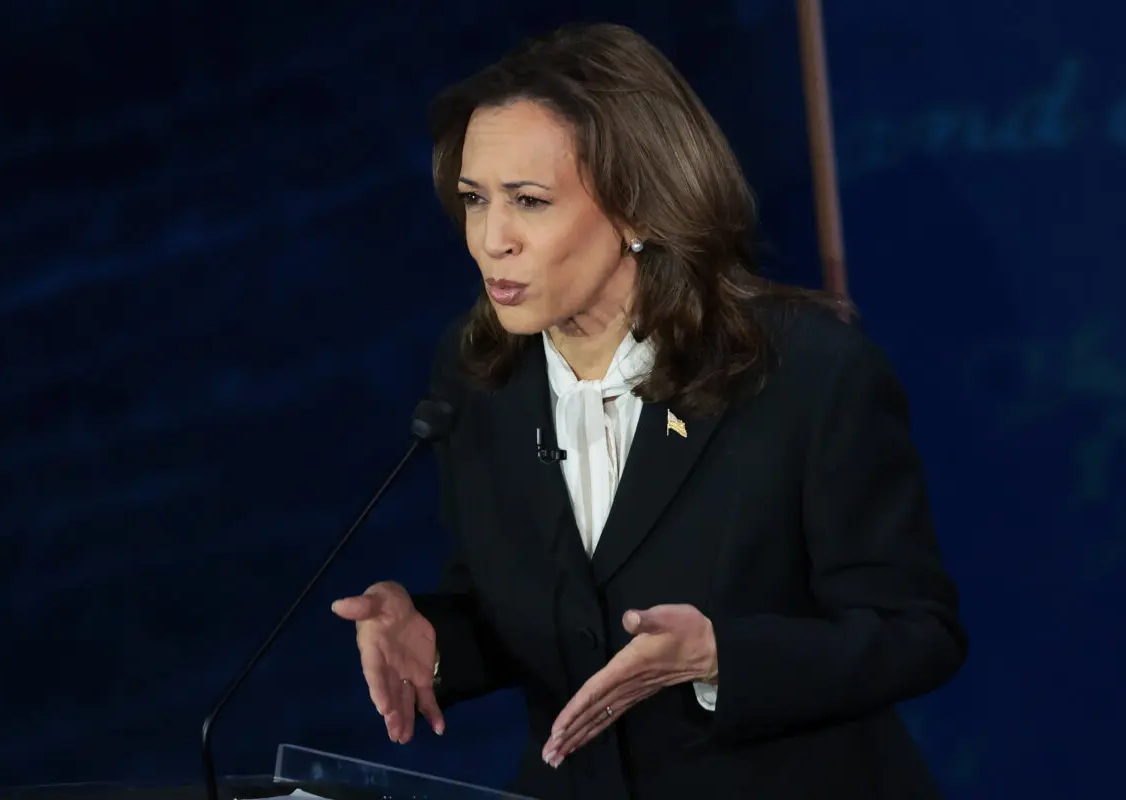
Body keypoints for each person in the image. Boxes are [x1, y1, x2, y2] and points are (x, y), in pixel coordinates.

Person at [332, 22, 966, 800]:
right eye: (474, 200)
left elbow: (916, 633)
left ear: (638, 208)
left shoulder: (802, 371)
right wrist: (433, 640)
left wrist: (719, 656)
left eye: (529, 202)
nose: (491, 240)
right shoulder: (478, 378)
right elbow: (529, 610)